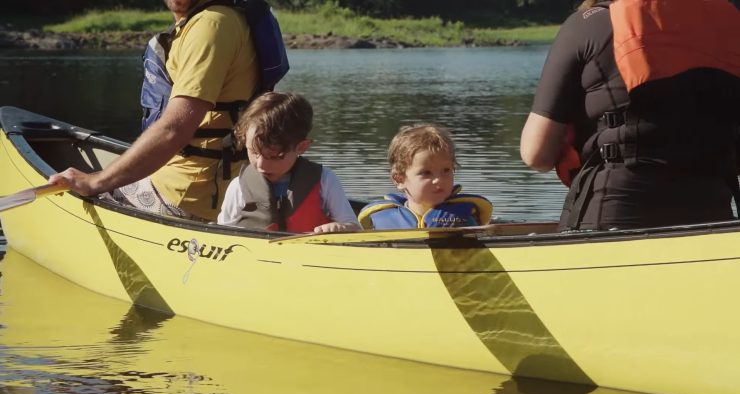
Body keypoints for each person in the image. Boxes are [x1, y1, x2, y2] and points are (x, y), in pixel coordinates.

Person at [520, 0, 740, 231]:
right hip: (714, 216)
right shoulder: (730, 21)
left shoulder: (591, 24)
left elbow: (536, 154)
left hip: (612, 213)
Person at [49, 0, 267, 222]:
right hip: (209, 185)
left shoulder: (211, 24)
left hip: (186, 193)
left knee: (71, 197)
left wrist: (94, 182)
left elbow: (174, 129)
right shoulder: (211, 21)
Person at [217, 92, 361, 233]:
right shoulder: (238, 187)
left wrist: (341, 228)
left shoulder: (325, 180)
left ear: (301, 147)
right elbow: (221, 234)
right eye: (254, 152)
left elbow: (354, 228)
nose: (260, 164)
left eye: (273, 157)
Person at [358, 124, 492, 229]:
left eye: (446, 170)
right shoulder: (382, 219)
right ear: (399, 180)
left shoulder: (464, 218)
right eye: (426, 173)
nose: (439, 179)